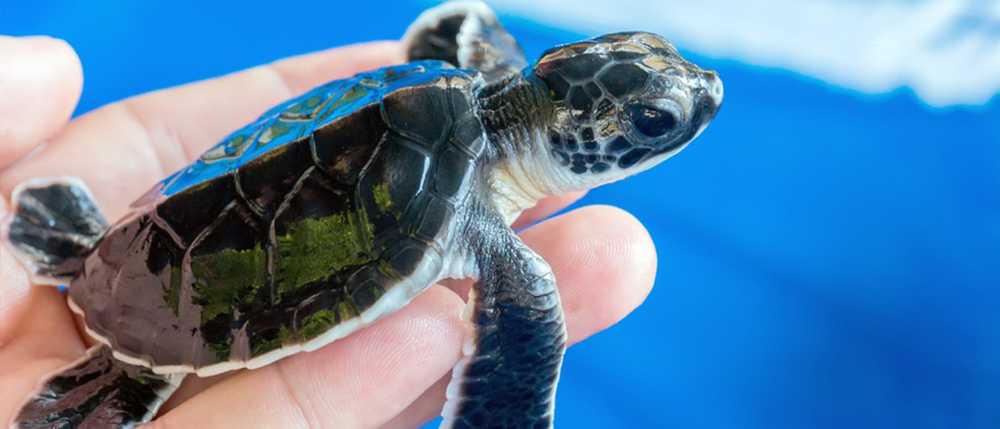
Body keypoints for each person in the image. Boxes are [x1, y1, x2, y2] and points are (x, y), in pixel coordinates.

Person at [0, 35, 656, 428]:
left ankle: (91, 257)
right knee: (534, 310)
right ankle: (125, 363)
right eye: (655, 121)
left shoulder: (447, 77)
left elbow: (459, 30)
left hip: (150, 232)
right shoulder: (505, 254)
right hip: (177, 298)